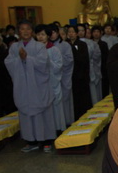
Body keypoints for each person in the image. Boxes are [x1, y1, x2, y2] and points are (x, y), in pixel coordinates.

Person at [4, 20, 55, 153]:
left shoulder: (39, 46)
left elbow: (44, 64)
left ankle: (46, 140)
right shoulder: (14, 47)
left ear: (32, 32)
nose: (25, 32)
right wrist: (20, 60)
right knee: (25, 113)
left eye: (28, 29)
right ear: (18, 32)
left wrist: (27, 59)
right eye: (22, 29)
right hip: (23, 87)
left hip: (38, 86)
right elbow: (8, 63)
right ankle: (30, 141)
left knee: (42, 113)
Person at [36, 24, 66, 134]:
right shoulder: (34, 51)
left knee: (55, 107)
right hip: (39, 85)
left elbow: (58, 67)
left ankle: (57, 129)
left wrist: (48, 60)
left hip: (52, 82)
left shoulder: (54, 50)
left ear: (48, 36)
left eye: (43, 34)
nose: (40, 37)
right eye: (38, 34)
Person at [48, 23, 75, 125]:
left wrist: (57, 60)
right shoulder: (45, 47)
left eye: (54, 32)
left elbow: (69, 60)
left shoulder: (65, 45)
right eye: (49, 33)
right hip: (51, 78)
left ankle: (67, 122)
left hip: (63, 77)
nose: (51, 35)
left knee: (64, 101)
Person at [65, 24, 92, 119]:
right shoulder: (66, 44)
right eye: (69, 32)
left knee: (83, 99)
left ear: (76, 33)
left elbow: (84, 60)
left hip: (81, 75)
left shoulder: (82, 44)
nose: (71, 34)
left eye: (73, 32)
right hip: (70, 76)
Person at [77, 23, 102, 105]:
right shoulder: (73, 43)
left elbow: (97, 56)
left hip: (92, 69)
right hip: (80, 72)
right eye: (78, 31)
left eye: (82, 30)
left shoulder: (92, 43)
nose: (80, 32)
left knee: (93, 93)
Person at [91, 25, 110, 97]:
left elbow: (106, 58)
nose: (96, 33)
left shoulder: (104, 44)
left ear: (101, 33)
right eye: (94, 32)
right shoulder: (89, 44)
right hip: (93, 69)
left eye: (97, 32)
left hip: (102, 69)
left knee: (104, 89)